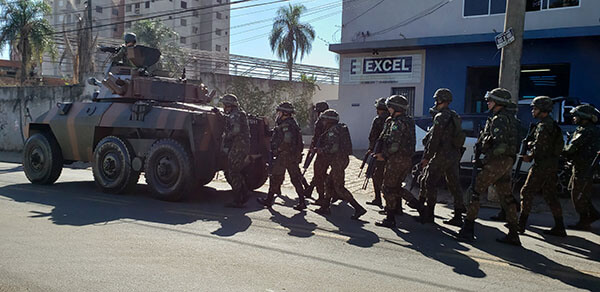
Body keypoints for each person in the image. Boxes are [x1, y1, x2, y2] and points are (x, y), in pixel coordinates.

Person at [457, 88, 521, 246]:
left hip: (497, 161)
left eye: (491, 100)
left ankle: (468, 229)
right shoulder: (509, 118)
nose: (488, 102)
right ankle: (514, 233)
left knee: (475, 191)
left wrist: (485, 161)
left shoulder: (499, 119)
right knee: (506, 196)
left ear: (499, 102)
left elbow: (499, 146)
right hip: (506, 162)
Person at [518, 96, 566, 236]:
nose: (533, 111)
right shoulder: (552, 124)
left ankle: (520, 225)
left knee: (526, 192)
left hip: (542, 165)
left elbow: (541, 148)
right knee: (550, 195)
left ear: (543, 110)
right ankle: (559, 226)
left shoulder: (544, 126)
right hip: (551, 165)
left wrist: (530, 151)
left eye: (535, 108)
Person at [373, 95, 424, 228]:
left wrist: (383, 156)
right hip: (406, 159)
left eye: (389, 107)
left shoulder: (397, 123)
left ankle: (390, 218)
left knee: (387, 188)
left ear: (395, 108)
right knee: (396, 187)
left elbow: (394, 144)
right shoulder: (407, 120)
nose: (388, 109)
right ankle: (420, 207)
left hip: (396, 160)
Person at [419, 88, 466, 225]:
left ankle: (429, 215)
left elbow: (435, 139)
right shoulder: (454, 115)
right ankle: (458, 216)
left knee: (430, 182)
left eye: (436, 99)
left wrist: (427, 156)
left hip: (441, 155)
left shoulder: (440, 117)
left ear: (440, 100)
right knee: (454, 184)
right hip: (454, 154)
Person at [313, 109, 367, 220]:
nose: (323, 122)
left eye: (324, 120)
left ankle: (358, 208)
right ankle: (325, 207)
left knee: (339, 187)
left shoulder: (333, 131)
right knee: (329, 183)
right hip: (341, 159)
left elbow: (333, 148)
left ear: (329, 121)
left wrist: (321, 150)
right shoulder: (340, 128)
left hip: (338, 161)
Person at [257, 102, 306, 210]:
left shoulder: (286, 125)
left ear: (284, 113)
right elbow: (272, 133)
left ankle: (269, 200)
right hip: (292, 156)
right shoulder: (291, 123)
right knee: (296, 179)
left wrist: (278, 150)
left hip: (284, 156)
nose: (278, 114)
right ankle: (302, 202)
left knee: (275, 177)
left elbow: (287, 140)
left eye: (279, 112)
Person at [562, 104, 600, 231]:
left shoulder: (585, 131)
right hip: (582, 166)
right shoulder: (588, 129)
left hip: (583, 168)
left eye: (576, 116)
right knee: (579, 193)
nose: (573, 118)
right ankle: (591, 215)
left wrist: (561, 150)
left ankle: (585, 220)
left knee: (578, 195)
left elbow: (571, 148)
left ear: (584, 117)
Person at [221, 94, 251, 208]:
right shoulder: (239, 113)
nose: (223, 107)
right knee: (235, 171)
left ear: (229, 105)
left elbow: (236, 130)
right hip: (241, 146)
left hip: (238, 146)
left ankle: (238, 199)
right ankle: (244, 193)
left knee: (233, 171)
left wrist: (226, 136)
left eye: (224, 104)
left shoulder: (234, 115)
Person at [365, 97, 390, 209]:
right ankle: (395, 205)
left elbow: (373, 136)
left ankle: (379, 199)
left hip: (379, 152)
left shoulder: (379, 119)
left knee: (377, 176)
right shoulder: (392, 119)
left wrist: (371, 149)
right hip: (390, 153)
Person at [307, 101, 330, 204]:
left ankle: (322, 197)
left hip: (321, 151)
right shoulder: (332, 120)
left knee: (319, 172)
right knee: (320, 172)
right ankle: (310, 190)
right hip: (329, 151)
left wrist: (313, 147)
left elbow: (316, 136)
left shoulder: (320, 121)